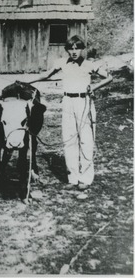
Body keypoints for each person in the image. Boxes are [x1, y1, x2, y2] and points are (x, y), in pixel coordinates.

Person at [29, 35, 113, 191]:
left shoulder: (89, 64)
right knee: (68, 139)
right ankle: (73, 177)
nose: (74, 52)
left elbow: (109, 77)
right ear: (67, 50)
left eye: (77, 48)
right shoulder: (61, 63)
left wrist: (93, 88)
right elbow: (45, 75)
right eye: (71, 49)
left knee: (85, 140)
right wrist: (26, 82)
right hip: (67, 102)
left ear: (82, 49)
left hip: (84, 102)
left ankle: (85, 178)